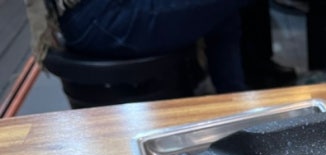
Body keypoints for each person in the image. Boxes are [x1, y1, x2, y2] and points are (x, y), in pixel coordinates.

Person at [26, 0, 260, 93]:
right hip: (100, 19)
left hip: (87, 16)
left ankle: (233, 100)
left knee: (221, 13)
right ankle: (235, 103)